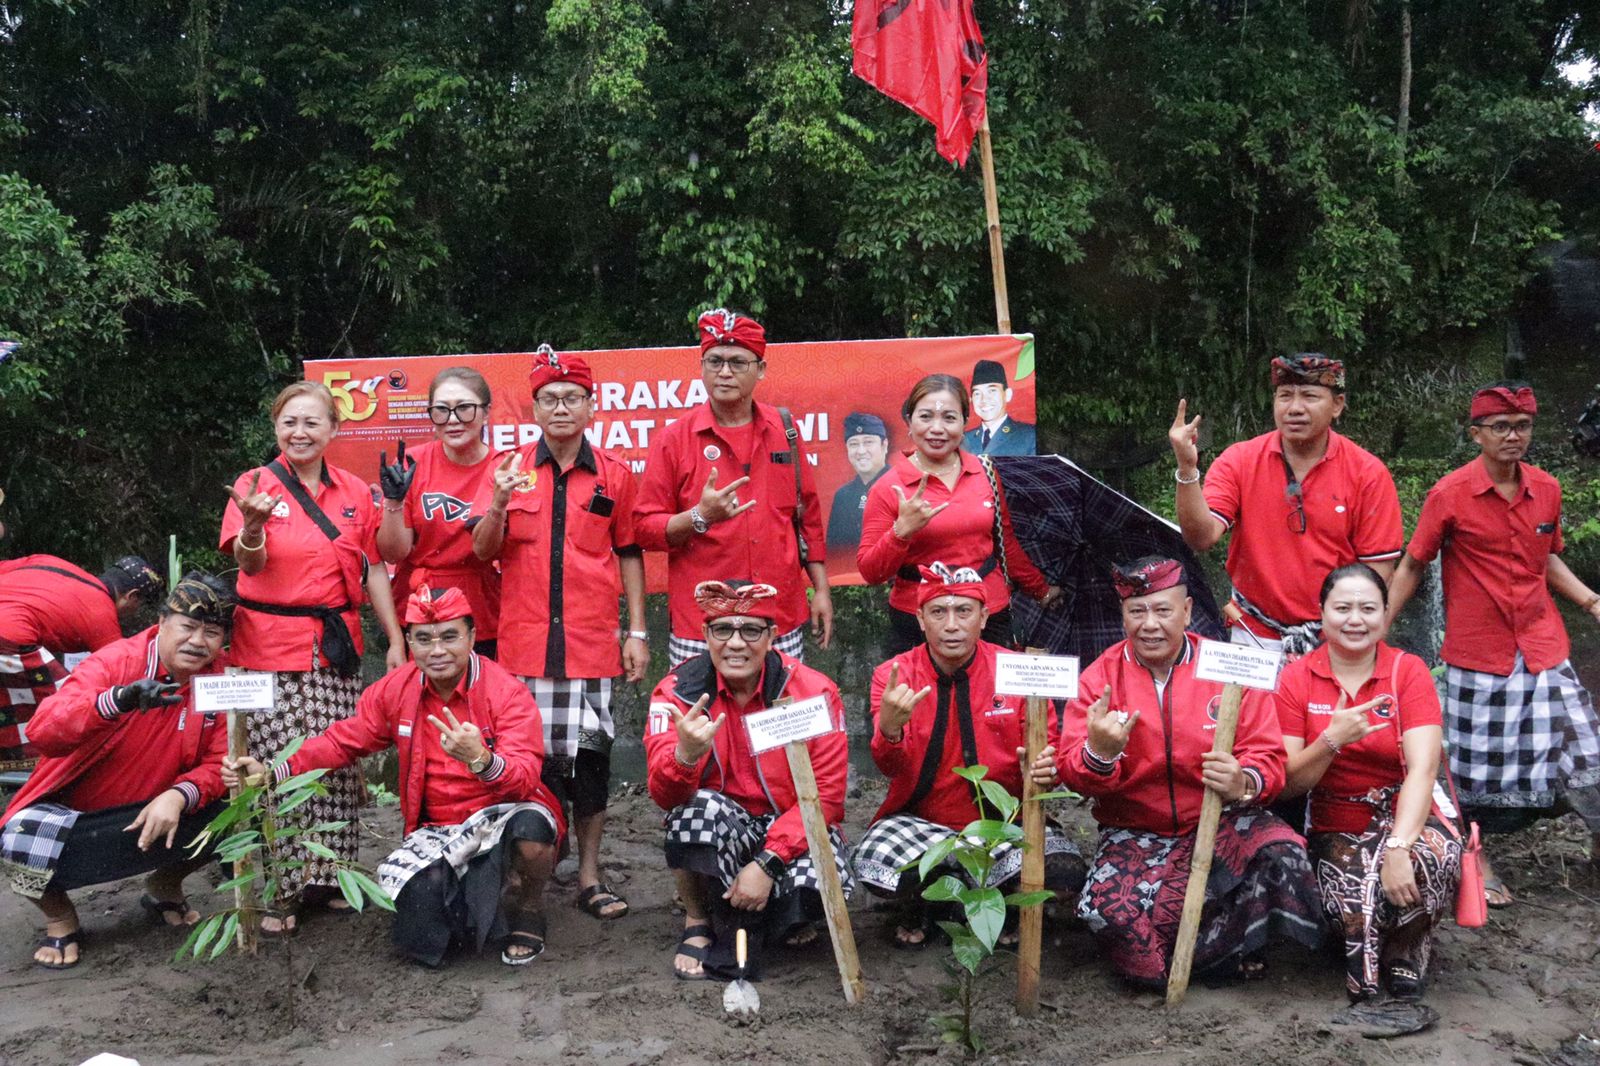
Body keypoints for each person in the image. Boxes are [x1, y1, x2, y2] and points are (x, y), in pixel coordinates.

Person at [224, 586, 565, 966]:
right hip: (437, 826)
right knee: (422, 936)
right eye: (424, 639)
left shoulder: (506, 692)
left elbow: (523, 778)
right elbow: (343, 741)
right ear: (409, 642)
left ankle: (531, 908)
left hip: (504, 812)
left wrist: (482, 760)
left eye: (450, 637)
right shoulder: (397, 688)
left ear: (471, 637)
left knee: (533, 833)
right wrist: (274, 772)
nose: (437, 651)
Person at [1059, 557, 1323, 986]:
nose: (1150, 625)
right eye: (1136, 611)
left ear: (1186, 611)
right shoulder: (1100, 679)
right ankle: (1201, 947)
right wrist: (1100, 753)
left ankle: (1222, 940)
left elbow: (1268, 757)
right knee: (1109, 918)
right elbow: (1073, 772)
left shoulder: (1228, 667)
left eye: (1163, 610)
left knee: (1283, 854)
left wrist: (1243, 781)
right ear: (1122, 615)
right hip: (1136, 830)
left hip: (1219, 821)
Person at [1387, 382, 1600, 906]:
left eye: (1522, 426)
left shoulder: (1547, 489)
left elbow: (1546, 558)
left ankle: (1598, 844)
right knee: (1471, 767)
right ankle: (1474, 854)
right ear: (1477, 434)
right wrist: (1378, 626)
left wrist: (1593, 603)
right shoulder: (1450, 493)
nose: (1513, 436)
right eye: (1500, 427)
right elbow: (1414, 563)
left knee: (1588, 747)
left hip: (1544, 644)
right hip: (1478, 653)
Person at [219, 380, 406, 934]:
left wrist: (393, 638)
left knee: (337, 763)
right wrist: (252, 525)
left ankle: (330, 879)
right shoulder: (253, 485)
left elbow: (375, 568)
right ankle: (283, 888)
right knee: (278, 763)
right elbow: (248, 565)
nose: (299, 433)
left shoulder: (354, 491)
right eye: (289, 423)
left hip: (336, 646)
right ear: (276, 428)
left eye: (312, 423)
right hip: (268, 647)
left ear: (333, 430)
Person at [471, 348, 646, 922]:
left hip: (592, 645)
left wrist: (637, 631)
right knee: (530, 767)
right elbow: (482, 550)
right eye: (550, 399)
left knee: (593, 765)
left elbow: (628, 554)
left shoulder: (615, 475)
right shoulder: (508, 468)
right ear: (536, 409)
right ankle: (532, 876)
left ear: (592, 408)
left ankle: (590, 877)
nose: (562, 407)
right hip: (522, 647)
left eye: (573, 398)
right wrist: (497, 502)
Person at [0, 574, 236, 969]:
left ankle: (164, 886)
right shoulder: (116, 660)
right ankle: (61, 919)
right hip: (81, 817)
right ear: (161, 623)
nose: (198, 641)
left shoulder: (224, 679)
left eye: (212, 632)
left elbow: (221, 760)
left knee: (245, 801)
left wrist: (180, 794)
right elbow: (44, 731)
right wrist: (114, 701)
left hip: (164, 809)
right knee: (18, 836)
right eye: (188, 627)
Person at [853, 563, 1084, 947]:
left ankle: (1004, 904)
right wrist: (889, 729)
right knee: (877, 869)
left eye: (963, 611)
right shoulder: (893, 675)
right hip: (923, 823)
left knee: (1062, 874)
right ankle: (932, 902)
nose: (951, 625)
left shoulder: (1018, 669)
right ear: (921, 620)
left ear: (984, 617)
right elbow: (888, 766)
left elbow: (1052, 751)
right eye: (938, 612)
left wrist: (1046, 764)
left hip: (1003, 823)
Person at [644, 580, 852, 980]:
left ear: (772, 637)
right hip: (722, 825)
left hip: (788, 824)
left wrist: (767, 862)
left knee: (807, 900)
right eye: (723, 630)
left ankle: (779, 910)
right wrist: (685, 755)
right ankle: (697, 917)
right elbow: (662, 796)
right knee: (691, 814)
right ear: (705, 635)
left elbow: (827, 796)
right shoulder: (675, 693)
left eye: (751, 630)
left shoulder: (813, 692)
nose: (736, 644)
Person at [1277, 564, 1461, 1015]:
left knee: (1434, 859)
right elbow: (1287, 782)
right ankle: (1361, 939)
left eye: (1367, 608)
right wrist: (1332, 740)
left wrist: (1399, 846)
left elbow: (1423, 769)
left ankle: (1404, 949)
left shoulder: (1408, 671)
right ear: (1321, 614)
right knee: (1354, 900)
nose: (1355, 619)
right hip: (1334, 824)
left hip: (1404, 815)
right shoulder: (1297, 678)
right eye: (1342, 608)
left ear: (1385, 615)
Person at [1169, 353, 1403, 655]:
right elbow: (1201, 538)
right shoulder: (1240, 460)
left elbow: (1377, 573)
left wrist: (1340, 633)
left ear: (1337, 405)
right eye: (1285, 396)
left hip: (1337, 635)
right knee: (1245, 705)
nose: (1295, 408)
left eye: (1309, 396)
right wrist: (1187, 470)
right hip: (1253, 633)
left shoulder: (1367, 473)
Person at [636, 308, 832, 666]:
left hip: (778, 618)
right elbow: (645, 529)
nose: (724, 372)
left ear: (760, 370)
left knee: (780, 719)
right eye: (714, 361)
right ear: (702, 368)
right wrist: (699, 516)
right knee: (701, 719)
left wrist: (821, 589)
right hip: (703, 625)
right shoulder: (674, 440)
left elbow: (807, 519)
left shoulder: (785, 431)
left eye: (738, 362)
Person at [858, 374, 1062, 657]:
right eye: (926, 417)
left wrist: (1040, 590)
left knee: (992, 700)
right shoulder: (889, 486)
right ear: (909, 422)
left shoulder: (986, 473)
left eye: (949, 418)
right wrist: (901, 532)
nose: (937, 429)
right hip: (918, 619)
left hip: (987, 615)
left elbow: (1006, 544)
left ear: (965, 423)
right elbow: (871, 571)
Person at [375, 366, 503, 656]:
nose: (453, 420)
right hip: (420, 605)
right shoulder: (413, 463)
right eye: (441, 410)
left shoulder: (504, 466)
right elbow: (394, 553)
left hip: (482, 605)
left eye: (465, 409)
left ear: (486, 412)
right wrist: (393, 502)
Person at [0, 555, 163, 768]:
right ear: (132, 597)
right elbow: (122, 672)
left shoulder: (51, 562)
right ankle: (46, 768)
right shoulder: (101, 613)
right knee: (68, 706)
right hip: (10, 640)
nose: (133, 614)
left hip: (11, 640)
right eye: (138, 607)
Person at [825, 412, 891, 551]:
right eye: (853, 444)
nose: (861, 451)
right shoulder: (843, 496)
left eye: (868, 442)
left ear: (884, 445)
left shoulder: (900, 487)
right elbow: (834, 550)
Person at [963, 359, 1037, 456]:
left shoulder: (1029, 435)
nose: (984, 399)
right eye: (977, 393)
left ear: (1007, 394)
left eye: (992, 391)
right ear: (971, 400)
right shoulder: (964, 440)